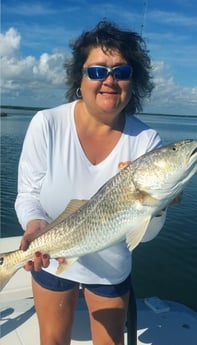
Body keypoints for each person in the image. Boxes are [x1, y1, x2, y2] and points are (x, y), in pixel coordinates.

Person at [15, 20, 169, 345]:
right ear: (80, 78)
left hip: (111, 264)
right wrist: (35, 225)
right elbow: (28, 193)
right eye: (97, 71)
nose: (109, 80)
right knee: (52, 341)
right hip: (53, 251)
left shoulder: (146, 141)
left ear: (133, 81)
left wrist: (157, 207)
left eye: (121, 72)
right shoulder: (47, 124)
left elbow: (146, 233)